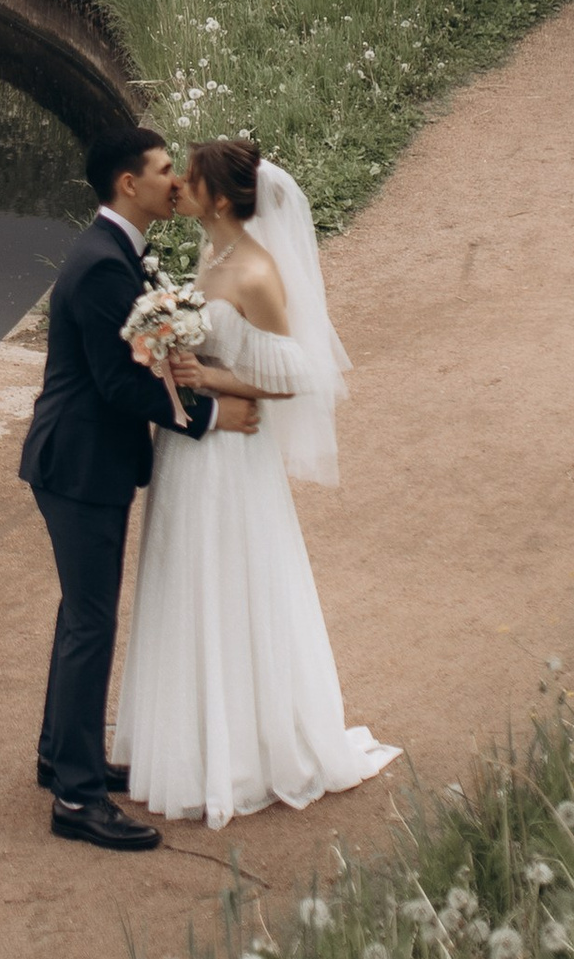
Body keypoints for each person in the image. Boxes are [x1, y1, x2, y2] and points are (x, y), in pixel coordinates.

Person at [111, 133, 398, 828]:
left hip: (232, 456)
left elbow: (301, 374)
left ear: (216, 194)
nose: (179, 181)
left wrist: (207, 376)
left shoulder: (259, 272)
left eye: (191, 174)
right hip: (190, 449)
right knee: (187, 580)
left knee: (232, 580)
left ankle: (246, 756)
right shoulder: (213, 254)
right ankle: (192, 744)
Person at [17, 123, 261, 850]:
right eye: (163, 169)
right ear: (130, 184)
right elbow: (119, 386)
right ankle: (77, 802)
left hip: (87, 461)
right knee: (92, 623)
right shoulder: (102, 267)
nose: (175, 181)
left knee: (80, 616)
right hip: (80, 465)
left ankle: (63, 756)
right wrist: (213, 414)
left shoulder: (121, 253)